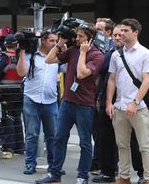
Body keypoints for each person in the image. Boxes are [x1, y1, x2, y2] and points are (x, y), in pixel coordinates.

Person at [37, 23, 105, 184]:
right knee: (59, 138)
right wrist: (60, 44)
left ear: (90, 39)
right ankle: (55, 174)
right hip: (67, 102)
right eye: (77, 35)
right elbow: (49, 59)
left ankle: (82, 176)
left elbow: (81, 74)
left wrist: (83, 53)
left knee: (85, 142)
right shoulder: (73, 50)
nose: (77, 38)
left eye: (81, 36)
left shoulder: (97, 55)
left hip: (85, 105)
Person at [106, 19, 149, 184]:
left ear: (135, 32)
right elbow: (111, 79)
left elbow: (147, 80)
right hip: (119, 107)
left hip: (139, 107)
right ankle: (124, 177)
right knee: (122, 145)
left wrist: (135, 102)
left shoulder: (145, 53)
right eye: (120, 31)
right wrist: (109, 102)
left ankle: (147, 178)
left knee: (145, 146)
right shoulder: (117, 54)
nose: (121, 34)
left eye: (125, 31)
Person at [17, 30, 59, 175]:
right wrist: (22, 51)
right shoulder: (31, 55)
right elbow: (21, 72)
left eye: (56, 41)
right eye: (51, 41)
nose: (54, 44)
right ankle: (30, 163)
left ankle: (54, 165)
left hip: (51, 101)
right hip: (31, 100)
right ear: (43, 40)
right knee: (32, 135)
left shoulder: (58, 57)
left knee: (52, 136)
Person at [92, 19, 118, 182]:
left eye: (100, 30)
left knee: (112, 136)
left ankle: (110, 168)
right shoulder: (97, 49)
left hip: (115, 99)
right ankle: (100, 164)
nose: (97, 33)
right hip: (100, 97)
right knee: (100, 133)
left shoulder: (112, 52)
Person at [0, 34, 25, 154]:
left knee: (7, 119)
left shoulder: (4, 58)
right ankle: (19, 146)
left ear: (5, 44)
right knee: (17, 118)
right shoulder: (20, 57)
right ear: (16, 44)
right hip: (19, 92)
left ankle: (9, 145)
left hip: (6, 93)